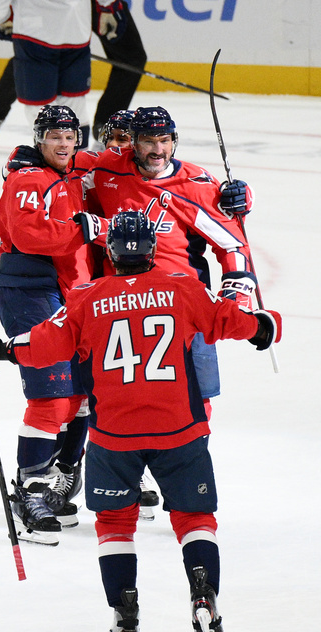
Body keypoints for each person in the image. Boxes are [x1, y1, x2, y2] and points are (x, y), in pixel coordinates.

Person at [0, 210, 282, 632]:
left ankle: (124, 610)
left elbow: (41, 346)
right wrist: (264, 326)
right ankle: (203, 594)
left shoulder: (86, 298)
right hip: (180, 431)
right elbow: (230, 320)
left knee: (113, 523)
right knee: (193, 519)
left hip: (113, 435)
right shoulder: (182, 286)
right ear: (151, 249)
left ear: (109, 252)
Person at [78, 106, 256, 416]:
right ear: (134, 142)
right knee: (115, 400)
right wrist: (17, 170)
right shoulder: (107, 170)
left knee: (195, 400)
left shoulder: (195, 184)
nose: (158, 150)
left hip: (184, 306)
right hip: (121, 307)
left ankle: (190, 460)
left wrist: (235, 297)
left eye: (165, 140)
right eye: (148, 141)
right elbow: (62, 175)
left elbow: (233, 245)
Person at [0, 104, 96, 541]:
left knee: (83, 397)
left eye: (70, 136)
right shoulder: (28, 178)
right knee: (52, 398)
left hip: (70, 295)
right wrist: (85, 229)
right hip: (30, 295)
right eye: (54, 135)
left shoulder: (69, 171)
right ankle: (30, 490)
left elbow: (121, 160)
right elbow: (28, 235)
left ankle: (60, 479)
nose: (64, 143)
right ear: (39, 139)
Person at [0, 0, 123, 145]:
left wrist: (0, 16)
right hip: (77, 32)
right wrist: (108, 6)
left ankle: (54, 163)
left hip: (35, 35)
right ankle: (79, 164)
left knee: (41, 108)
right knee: (74, 106)